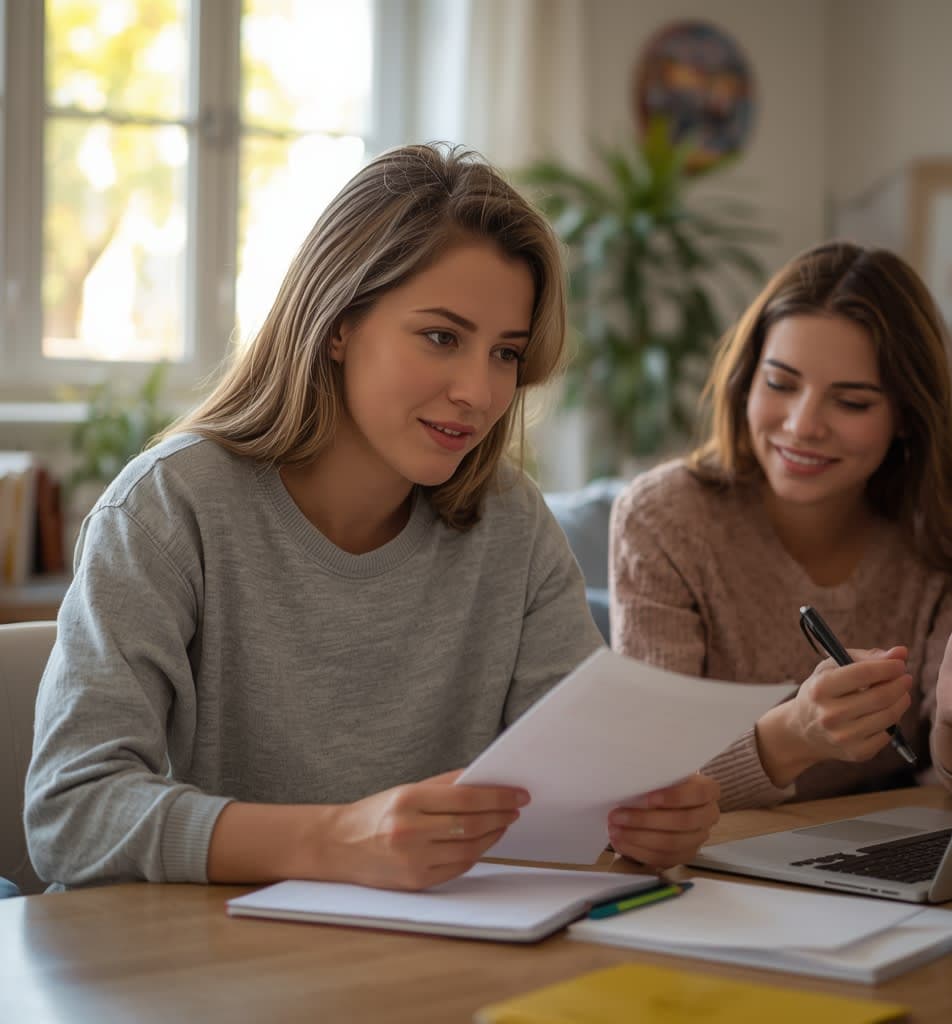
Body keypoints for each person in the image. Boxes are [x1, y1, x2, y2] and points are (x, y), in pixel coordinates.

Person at [25, 144, 719, 892]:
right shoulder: (167, 508)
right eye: (442, 337)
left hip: (423, 963)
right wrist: (333, 839)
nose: (479, 393)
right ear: (337, 325)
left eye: (505, 354)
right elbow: (71, 812)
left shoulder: (510, 522)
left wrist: (645, 808)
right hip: (199, 968)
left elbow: (584, 771)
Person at [611, 241, 952, 811]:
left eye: (850, 402)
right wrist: (795, 735)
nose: (802, 426)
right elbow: (649, 774)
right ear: (746, 381)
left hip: (884, 854)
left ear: (905, 416)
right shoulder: (664, 518)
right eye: (780, 384)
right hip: (714, 865)